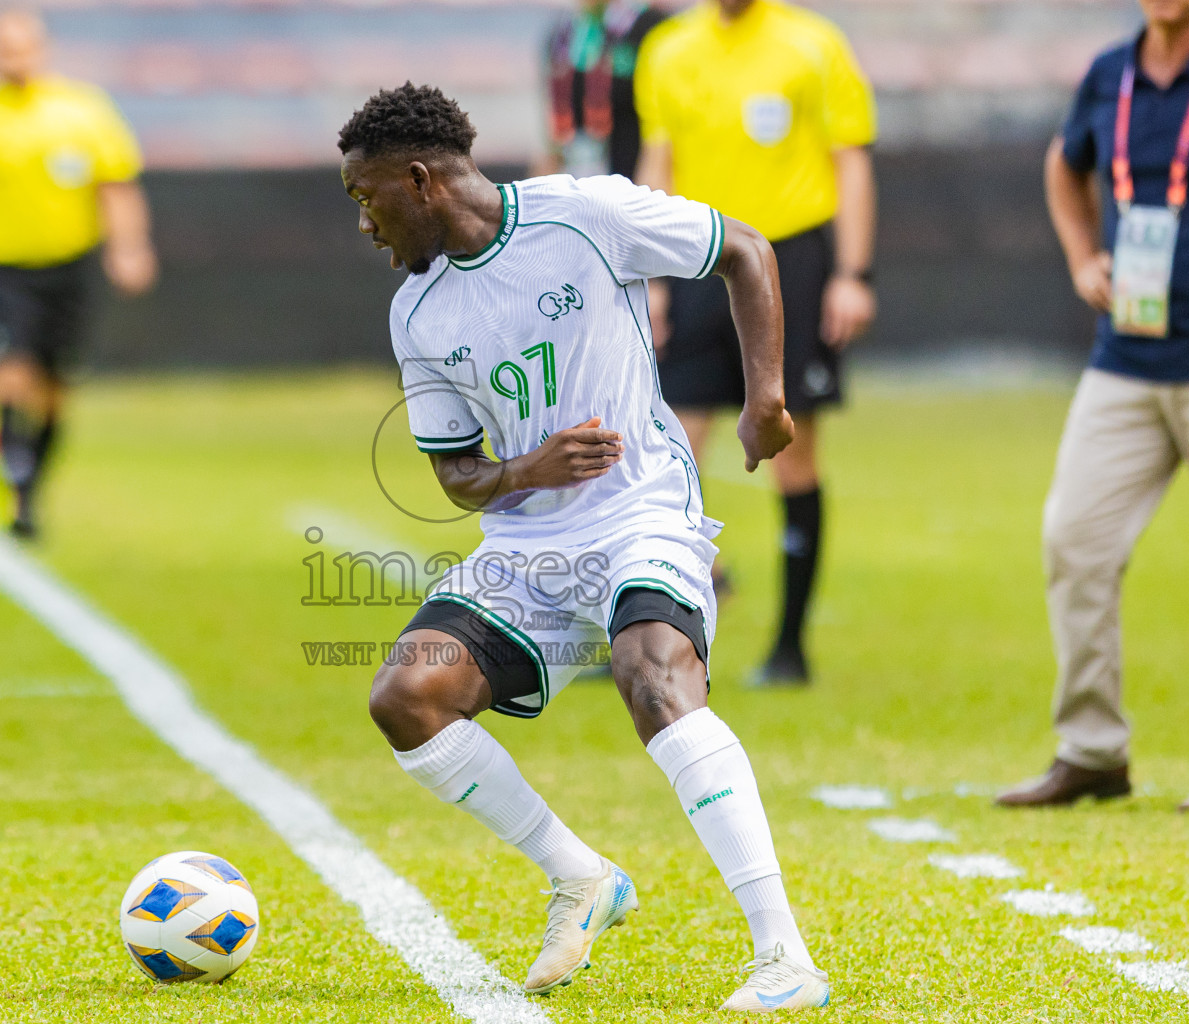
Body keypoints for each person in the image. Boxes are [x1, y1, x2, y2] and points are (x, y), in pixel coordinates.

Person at [339, 83, 831, 1011]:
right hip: (529, 546)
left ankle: (784, 955)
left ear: (420, 179)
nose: (365, 224)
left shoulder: (584, 215)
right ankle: (581, 876)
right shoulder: (417, 313)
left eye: (367, 198)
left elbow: (745, 249)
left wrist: (765, 398)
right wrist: (529, 468)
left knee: (654, 675)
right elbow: (458, 475)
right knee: (407, 699)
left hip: (642, 513)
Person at [997, 0, 1189, 813]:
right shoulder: (1110, 73)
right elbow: (1065, 165)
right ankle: (1092, 751)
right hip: (1127, 356)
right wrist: (1082, 254)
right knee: (1075, 539)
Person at [633, 0, 878, 685]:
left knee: (792, 453)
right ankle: (654, 640)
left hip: (790, 263)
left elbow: (850, 163)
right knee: (669, 451)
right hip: (698, 260)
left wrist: (853, 274)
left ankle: (790, 649)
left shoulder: (814, 44)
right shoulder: (669, 49)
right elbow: (659, 161)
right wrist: (651, 276)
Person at [0, 5, 156, 539]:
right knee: (8, 377)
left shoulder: (83, 112)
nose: (15, 58)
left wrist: (130, 247)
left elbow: (116, 186)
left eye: (23, 47)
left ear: (42, 49)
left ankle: (30, 486)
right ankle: (17, 487)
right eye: (4, 49)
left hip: (68, 268)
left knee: (53, 388)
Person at [537, 0, 667, 181]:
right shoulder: (563, 34)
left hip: (632, 182)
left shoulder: (653, 28)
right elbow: (552, 128)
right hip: (576, 180)